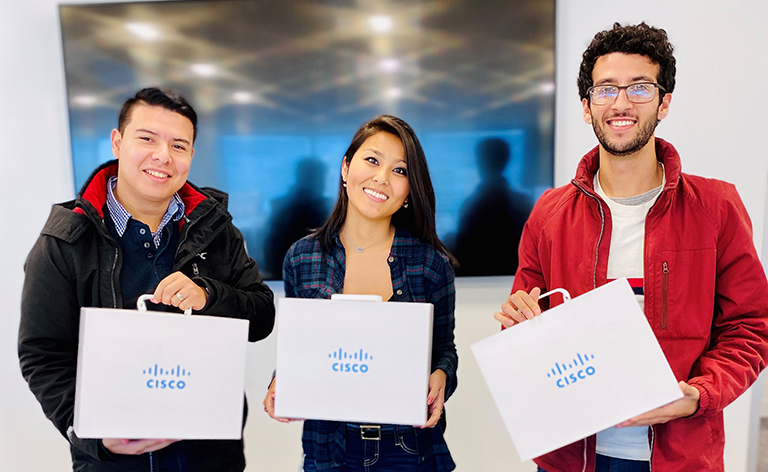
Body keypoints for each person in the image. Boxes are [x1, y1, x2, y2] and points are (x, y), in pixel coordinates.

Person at [494, 23, 768, 472]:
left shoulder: (717, 207)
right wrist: (521, 324)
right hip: (570, 457)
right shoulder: (548, 212)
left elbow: (750, 328)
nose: (621, 104)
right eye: (605, 90)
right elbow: (526, 330)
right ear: (586, 107)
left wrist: (698, 395)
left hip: (679, 457)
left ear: (664, 102)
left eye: (639, 88)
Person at [19, 87, 276, 472]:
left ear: (191, 155)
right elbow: (43, 354)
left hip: (211, 456)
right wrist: (92, 434)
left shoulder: (216, 228)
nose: (162, 156)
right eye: (147, 139)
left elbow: (260, 316)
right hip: (113, 463)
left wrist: (208, 296)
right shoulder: (66, 238)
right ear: (117, 142)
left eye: (179, 145)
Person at [263, 115, 458, 471]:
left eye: (400, 171)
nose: (382, 178)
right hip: (329, 449)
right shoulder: (301, 257)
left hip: (410, 449)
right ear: (345, 168)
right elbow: (304, 348)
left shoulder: (432, 264)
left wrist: (441, 376)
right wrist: (282, 378)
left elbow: (445, 350)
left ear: (410, 190)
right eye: (372, 160)